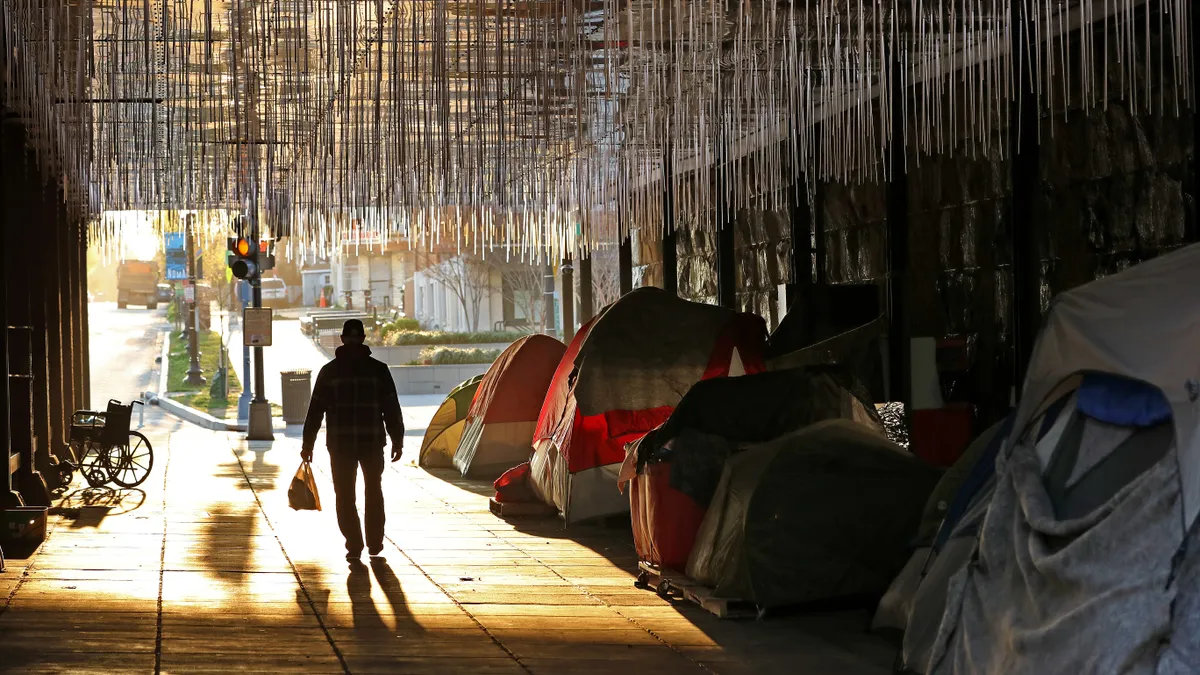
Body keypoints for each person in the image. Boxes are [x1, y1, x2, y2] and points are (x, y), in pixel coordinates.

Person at [302, 319, 404, 560]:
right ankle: (375, 542)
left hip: (340, 445)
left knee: (345, 495)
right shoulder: (379, 371)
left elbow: (315, 410)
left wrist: (308, 444)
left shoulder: (329, 372)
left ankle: (354, 543)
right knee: (374, 491)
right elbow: (391, 408)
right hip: (372, 443)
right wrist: (397, 439)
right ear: (363, 338)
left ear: (342, 339)